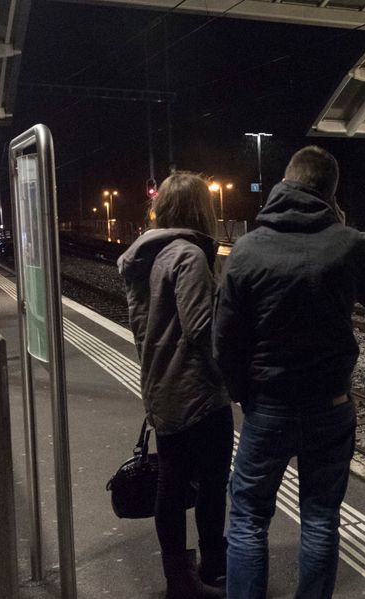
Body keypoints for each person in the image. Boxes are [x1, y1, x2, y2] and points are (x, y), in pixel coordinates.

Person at [214, 146, 365, 599]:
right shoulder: (348, 243)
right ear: (330, 192)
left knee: (250, 518)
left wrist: (244, 395)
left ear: (284, 184)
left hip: (268, 407)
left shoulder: (248, 249)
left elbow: (224, 340)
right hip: (331, 407)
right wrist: (342, 224)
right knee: (320, 517)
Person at [117, 173, 231, 599]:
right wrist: (232, 377)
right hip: (198, 392)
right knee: (211, 484)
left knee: (172, 482)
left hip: (161, 386)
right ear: (199, 211)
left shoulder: (144, 257)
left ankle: (177, 579)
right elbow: (202, 330)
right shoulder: (188, 256)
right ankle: (214, 567)